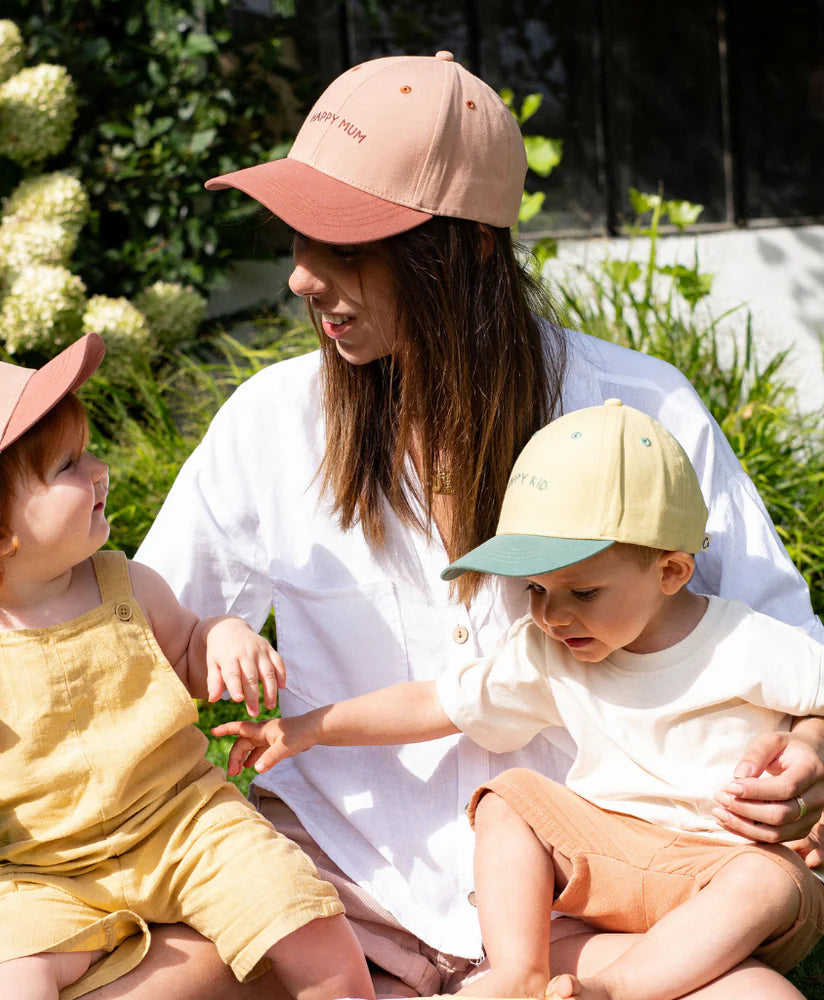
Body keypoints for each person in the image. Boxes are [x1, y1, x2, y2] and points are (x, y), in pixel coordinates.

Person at [0, 51, 824, 1000]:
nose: (302, 278)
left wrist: (808, 760)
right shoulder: (270, 422)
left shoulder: (644, 414)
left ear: (465, 248)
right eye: (300, 239)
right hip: (327, 895)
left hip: (588, 903)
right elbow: (128, 637)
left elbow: (785, 644)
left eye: (346, 247)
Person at [213, 399, 824, 1000]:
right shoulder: (546, 651)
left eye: (582, 591)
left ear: (671, 573)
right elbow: (435, 704)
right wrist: (309, 728)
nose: (552, 614)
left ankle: (611, 990)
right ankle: (517, 971)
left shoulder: (747, 642)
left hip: (723, 865)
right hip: (608, 864)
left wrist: (807, 744)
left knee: (765, 881)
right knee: (510, 801)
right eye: (535, 588)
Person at [0, 333, 374, 1000]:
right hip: (43, 871)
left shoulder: (128, 585)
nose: (99, 470)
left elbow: (188, 655)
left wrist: (224, 635)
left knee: (302, 917)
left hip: (187, 824)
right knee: (6, 983)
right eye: (68, 465)